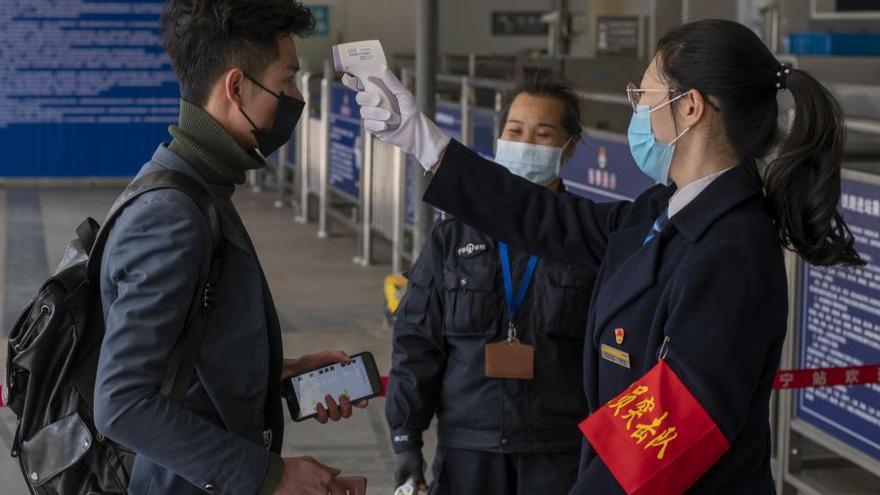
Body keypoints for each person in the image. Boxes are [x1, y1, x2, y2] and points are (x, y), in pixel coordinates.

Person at [343, 18, 862, 494]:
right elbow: (545, 219)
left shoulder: (732, 251)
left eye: (645, 93)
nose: (637, 108)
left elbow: (663, 428)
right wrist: (426, 143)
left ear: (690, 107)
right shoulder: (661, 209)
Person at [94, 2, 364, 494]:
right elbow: (123, 402)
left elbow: (185, 358)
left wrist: (278, 374)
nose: (297, 99)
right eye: (286, 83)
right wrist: (269, 475)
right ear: (237, 88)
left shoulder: (198, 188)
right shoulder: (171, 216)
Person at [387, 75, 594, 495]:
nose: (526, 142)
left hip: (560, 451)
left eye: (543, 133)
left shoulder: (587, 237)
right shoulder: (454, 234)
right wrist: (406, 436)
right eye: (515, 131)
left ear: (569, 147)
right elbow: (417, 339)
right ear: (499, 139)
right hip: (469, 450)